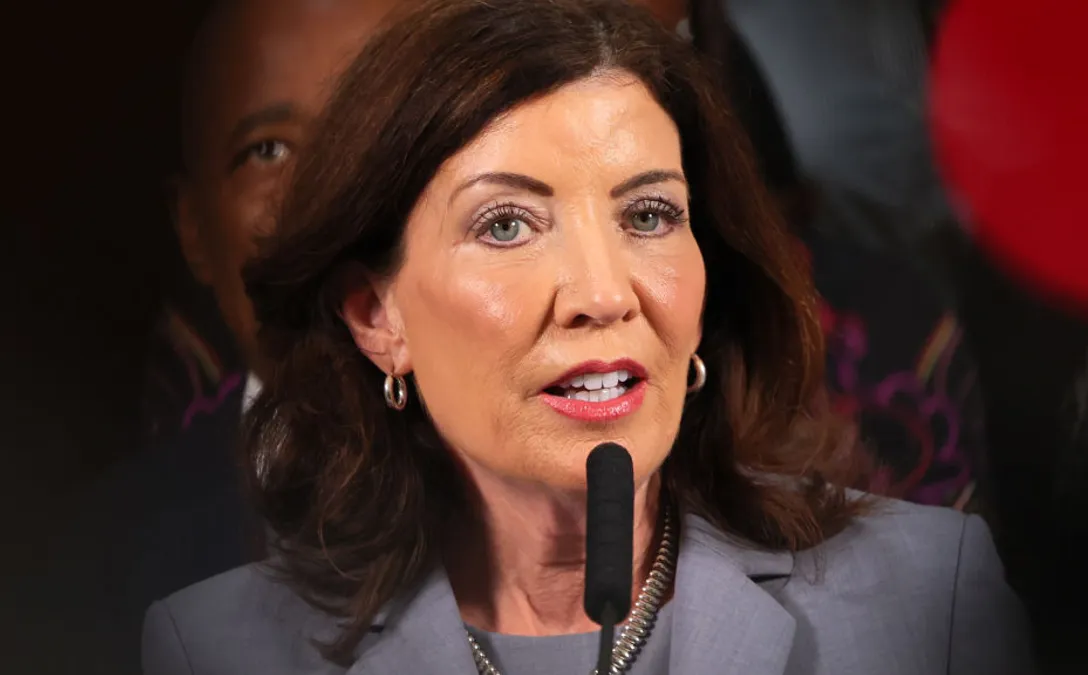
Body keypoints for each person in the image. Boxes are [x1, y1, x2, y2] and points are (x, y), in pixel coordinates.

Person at [142, 1, 1033, 674]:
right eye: (505, 226)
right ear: (377, 317)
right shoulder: (215, 646)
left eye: (649, 213)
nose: (605, 295)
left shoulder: (928, 595)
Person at [24, 3, 398, 675]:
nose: (326, 189)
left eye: (371, 130)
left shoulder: (568, 493)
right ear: (195, 229)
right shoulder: (100, 561)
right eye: (269, 150)